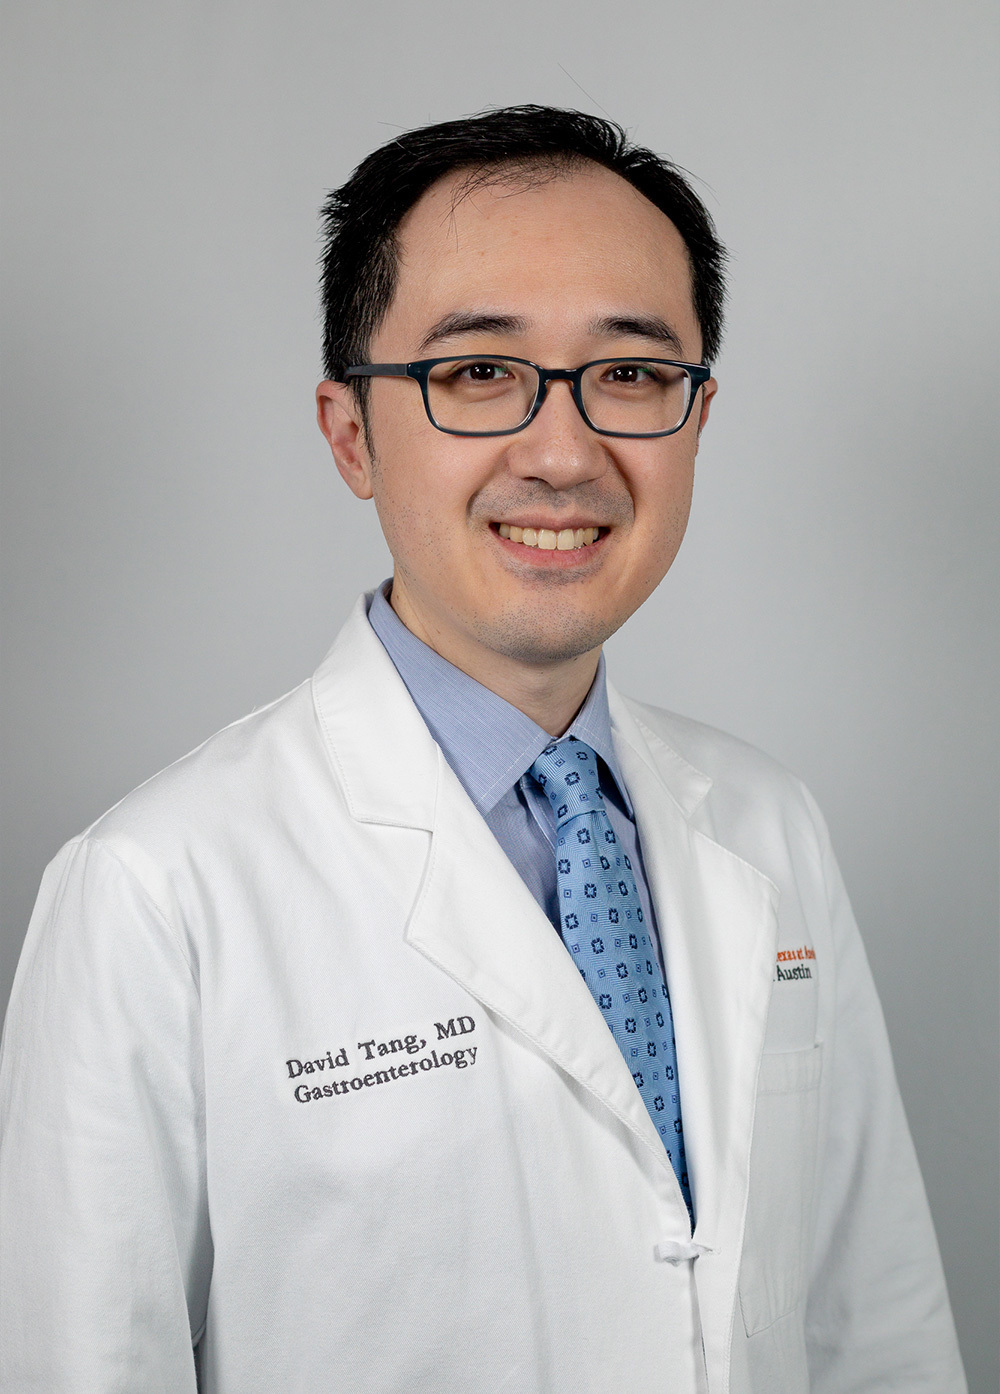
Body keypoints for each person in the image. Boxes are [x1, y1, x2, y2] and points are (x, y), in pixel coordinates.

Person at [0, 106, 965, 1394]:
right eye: (477, 374)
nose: (563, 454)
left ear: (697, 419)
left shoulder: (768, 819)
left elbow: (875, 1328)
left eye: (631, 374)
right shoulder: (153, 890)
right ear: (352, 434)